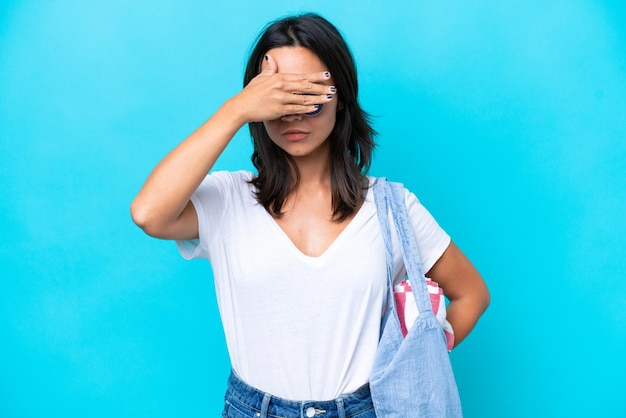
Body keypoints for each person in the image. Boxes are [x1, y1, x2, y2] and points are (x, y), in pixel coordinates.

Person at [131, 12, 489, 418]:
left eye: (310, 96)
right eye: (278, 97)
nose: (294, 114)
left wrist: (414, 363)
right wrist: (235, 111)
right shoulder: (227, 199)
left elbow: (471, 293)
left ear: (342, 98)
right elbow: (148, 213)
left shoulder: (392, 208)